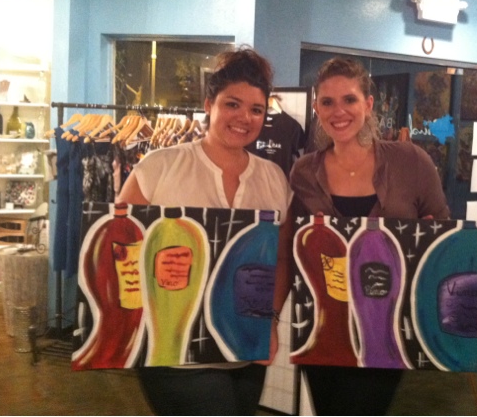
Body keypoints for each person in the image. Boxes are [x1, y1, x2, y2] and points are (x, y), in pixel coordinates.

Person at [117, 46, 293, 416]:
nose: (244, 117)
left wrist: (271, 322)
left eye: (256, 109)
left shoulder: (274, 178)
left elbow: (280, 260)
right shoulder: (158, 167)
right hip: (174, 352)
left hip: (245, 350)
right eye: (232, 104)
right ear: (209, 104)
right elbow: (119, 248)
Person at [289, 56, 450, 416]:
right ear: (316, 108)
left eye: (349, 99)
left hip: (386, 329)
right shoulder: (304, 172)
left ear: (368, 104)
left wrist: (425, 238)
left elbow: (442, 234)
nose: (338, 111)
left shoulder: (410, 161)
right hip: (324, 327)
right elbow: (295, 245)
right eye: (327, 102)